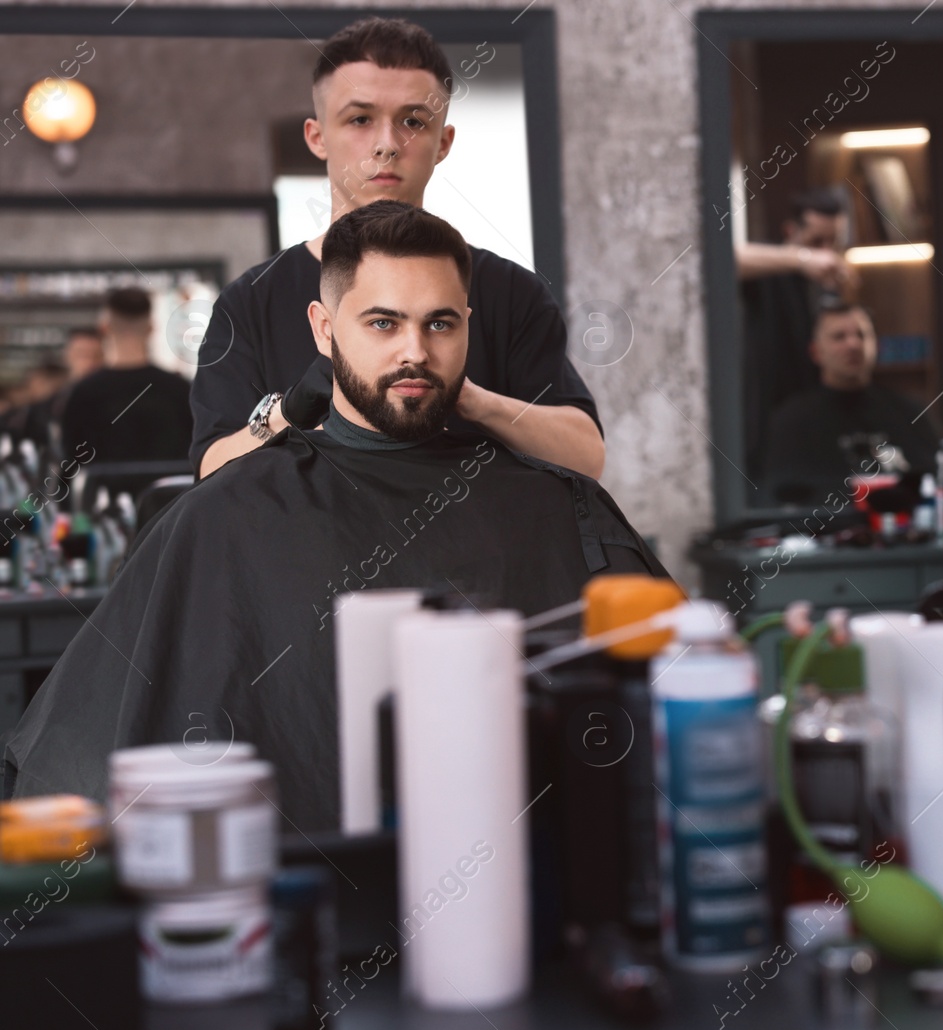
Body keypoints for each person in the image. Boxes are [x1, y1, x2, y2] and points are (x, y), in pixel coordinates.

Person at [3, 202, 668, 832]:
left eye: (440, 323)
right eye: (383, 323)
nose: (415, 351)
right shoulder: (224, 518)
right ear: (324, 328)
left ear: (469, 320)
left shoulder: (547, 502)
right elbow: (85, 771)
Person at [191, 16, 604, 481]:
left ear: (443, 142)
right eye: (360, 119)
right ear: (317, 137)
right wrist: (293, 408)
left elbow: (586, 458)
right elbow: (212, 471)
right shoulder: (251, 300)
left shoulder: (511, 291)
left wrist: (467, 397)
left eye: (412, 121)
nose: (387, 144)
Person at [762, 303, 938, 503]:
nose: (853, 345)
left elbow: (934, 478)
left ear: (876, 345)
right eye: (839, 337)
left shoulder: (910, 413)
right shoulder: (792, 421)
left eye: (862, 335)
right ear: (815, 352)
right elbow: (782, 493)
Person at [737, 189, 859, 470]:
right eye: (817, 241)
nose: (826, 253)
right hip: (771, 423)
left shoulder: (831, 286)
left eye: (834, 243)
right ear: (791, 231)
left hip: (822, 420)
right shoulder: (772, 271)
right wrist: (802, 258)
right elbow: (726, 260)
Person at [59, 288, 193, 463]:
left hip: (104, 490)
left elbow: (71, 461)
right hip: (173, 491)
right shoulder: (180, 389)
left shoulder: (84, 393)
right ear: (151, 328)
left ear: (105, 328)